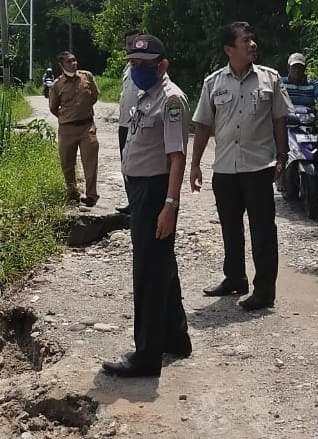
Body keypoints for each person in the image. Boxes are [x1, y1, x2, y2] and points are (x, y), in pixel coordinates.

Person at [102, 34, 192, 378]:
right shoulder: (146, 95)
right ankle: (175, 337)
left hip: (156, 192)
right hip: (142, 190)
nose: (138, 69)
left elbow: (176, 157)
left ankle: (146, 356)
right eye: (134, 64)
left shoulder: (170, 100)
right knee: (161, 265)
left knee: (148, 272)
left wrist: (169, 204)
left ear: (162, 65)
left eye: (145, 64)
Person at [189, 21, 293, 312]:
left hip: (258, 167)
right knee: (230, 228)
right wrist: (195, 165)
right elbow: (202, 126)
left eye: (252, 39)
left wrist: (282, 155)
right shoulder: (213, 83)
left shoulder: (269, 79)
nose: (252, 44)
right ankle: (235, 277)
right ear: (229, 49)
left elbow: (279, 119)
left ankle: (264, 291)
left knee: (263, 231)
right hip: (224, 169)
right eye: (245, 40)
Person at [278, 52, 318, 193]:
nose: (297, 70)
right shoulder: (281, 82)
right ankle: (279, 173)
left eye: (300, 68)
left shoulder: (312, 83)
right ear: (289, 68)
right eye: (294, 67)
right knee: (277, 144)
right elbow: (273, 97)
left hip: (309, 124)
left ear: (304, 69)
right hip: (288, 124)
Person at [49, 51, 100, 207]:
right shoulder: (57, 85)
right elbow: (53, 107)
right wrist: (67, 117)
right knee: (67, 163)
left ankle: (91, 196)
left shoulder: (87, 77)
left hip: (87, 126)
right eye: (70, 61)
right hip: (67, 129)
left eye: (74, 60)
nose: (74, 63)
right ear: (62, 64)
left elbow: (94, 96)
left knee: (90, 161)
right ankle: (72, 193)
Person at [116, 29, 141, 214]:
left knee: (138, 165)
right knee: (126, 164)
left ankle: (139, 204)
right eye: (128, 44)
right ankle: (132, 202)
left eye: (134, 43)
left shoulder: (147, 68)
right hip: (124, 124)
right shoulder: (128, 68)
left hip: (138, 125)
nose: (131, 47)